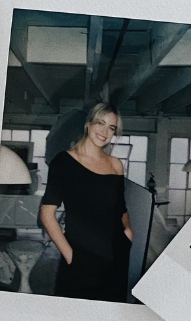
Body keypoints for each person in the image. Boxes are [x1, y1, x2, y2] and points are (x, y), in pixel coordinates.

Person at [39, 103, 133, 303]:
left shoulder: (115, 164)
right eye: (101, 123)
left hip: (116, 255)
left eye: (111, 128)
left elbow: (120, 207)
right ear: (88, 124)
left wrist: (128, 232)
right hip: (81, 258)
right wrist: (71, 255)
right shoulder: (63, 162)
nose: (105, 131)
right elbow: (47, 215)